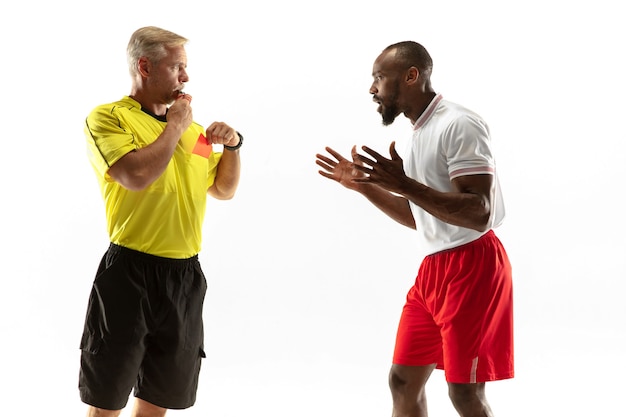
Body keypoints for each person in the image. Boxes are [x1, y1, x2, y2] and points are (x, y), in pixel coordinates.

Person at [316, 41, 513, 417]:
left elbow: (479, 212)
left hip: (473, 265)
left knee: (464, 393)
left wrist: (405, 183)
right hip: (433, 272)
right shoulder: (419, 131)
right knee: (403, 380)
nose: (373, 89)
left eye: (379, 78)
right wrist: (364, 185)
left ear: (411, 76)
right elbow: (420, 215)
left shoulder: (458, 123)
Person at [79, 26, 243, 417]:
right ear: (145, 66)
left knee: (158, 400)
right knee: (107, 400)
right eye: (177, 67)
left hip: (184, 277)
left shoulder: (195, 133)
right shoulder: (108, 118)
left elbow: (222, 189)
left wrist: (234, 146)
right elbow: (136, 176)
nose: (186, 77)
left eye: (186, 68)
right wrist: (174, 127)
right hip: (129, 273)